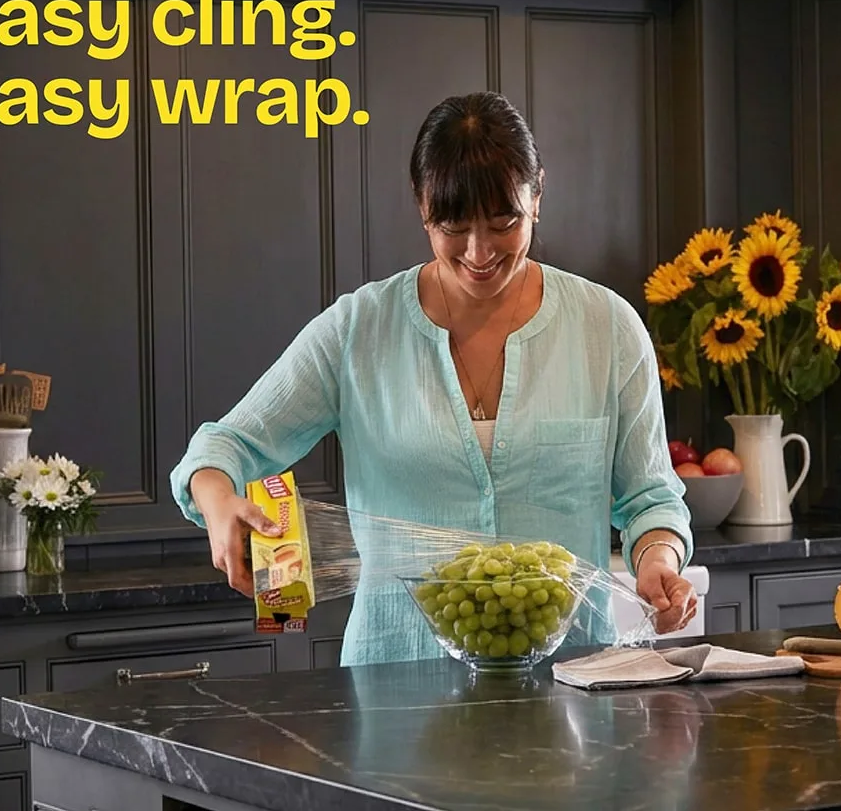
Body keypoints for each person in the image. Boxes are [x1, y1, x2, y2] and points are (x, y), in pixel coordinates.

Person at [170, 91, 697, 667]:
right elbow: (223, 447)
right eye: (453, 225)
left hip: (571, 682)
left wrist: (658, 561)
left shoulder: (608, 328)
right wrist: (218, 501)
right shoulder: (358, 330)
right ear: (421, 205)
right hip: (395, 681)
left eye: (503, 222)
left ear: (537, 196)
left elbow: (650, 498)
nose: (479, 251)